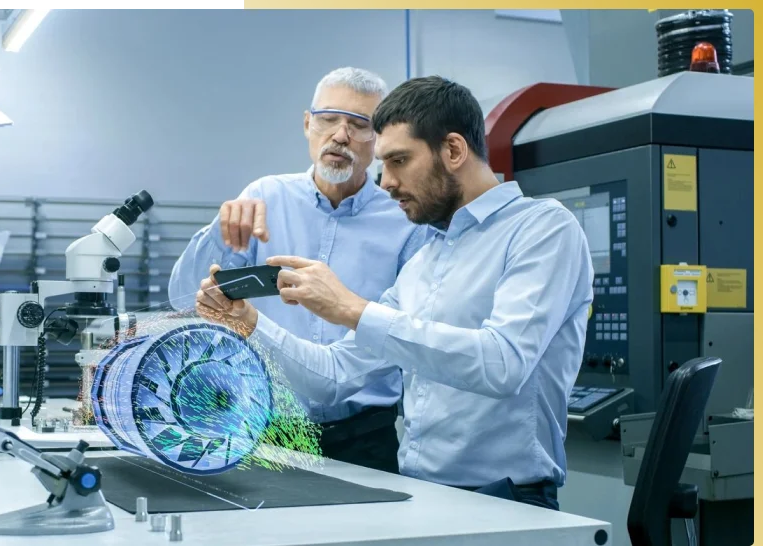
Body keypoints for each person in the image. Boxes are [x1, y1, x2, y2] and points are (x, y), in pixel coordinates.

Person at [194, 75, 594, 511]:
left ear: (454, 150)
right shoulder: (427, 258)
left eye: (399, 161)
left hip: (507, 498)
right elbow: (333, 377)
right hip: (420, 495)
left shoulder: (543, 229)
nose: (385, 182)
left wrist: (352, 309)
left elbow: (503, 364)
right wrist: (250, 324)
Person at [167, 67, 429, 474]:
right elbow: (185, 299)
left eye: (360, 124)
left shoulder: (405, 221)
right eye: (328, 119)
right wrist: (217, 234)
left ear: (379, 140)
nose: (340, 135)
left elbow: (404, 331)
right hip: (265, 429)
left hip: (365, 436)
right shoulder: (263, 197)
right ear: (308, 124)